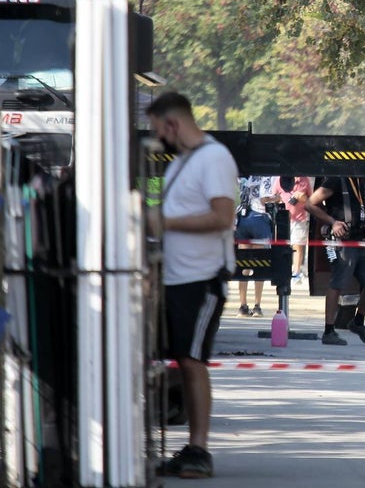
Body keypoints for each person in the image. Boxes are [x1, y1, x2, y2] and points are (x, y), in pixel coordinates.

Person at [147, 92, 238, 479]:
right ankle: (186, 442)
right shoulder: (182, 163)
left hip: (201, 279)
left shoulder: (214, 158)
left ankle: (200, 448)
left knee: (192, 361)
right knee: (180, 360)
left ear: (172, 124)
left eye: (158, 130)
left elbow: (222, 217)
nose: (159, 139)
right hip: (174, 277)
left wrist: (163, 223)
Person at [306, 176, 365, 346]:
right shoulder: (336, 180)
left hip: (359, 240)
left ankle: (358, 322)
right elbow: (310, 204)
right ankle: (329, 331)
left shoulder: (362, 180)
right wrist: (333, 222)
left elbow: (362, 206)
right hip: (341, 242)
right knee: (337, 284)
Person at [234, 175, 277, 318]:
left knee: (244, 264)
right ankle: (257, 305)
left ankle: (242, 305)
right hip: (259, 218)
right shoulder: (267, 175)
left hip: (241, 218)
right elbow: (264, 199)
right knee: (260, 263)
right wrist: (277, 198)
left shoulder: (242, 176)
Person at [273, 176, 313, 284]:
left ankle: (296, 272)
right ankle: (282, 271)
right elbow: (274, 196)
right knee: (281, 246)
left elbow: (312, 199)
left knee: (298, 246)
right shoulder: (280, 179)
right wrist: (278, 199)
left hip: (299, 219)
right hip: (282, 219)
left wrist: (302, 197)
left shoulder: (305, 180)